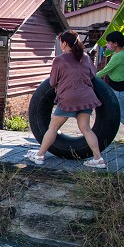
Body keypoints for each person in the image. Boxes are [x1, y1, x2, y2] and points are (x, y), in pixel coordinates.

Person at [26, 30, 106, 169]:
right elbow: (93, 74)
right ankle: (98, 159)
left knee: (53, 127)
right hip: (86, 97)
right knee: (86, 129)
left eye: (60, 42)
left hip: (68, 99)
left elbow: (52, 82)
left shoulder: (59, 59)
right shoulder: (86, 57)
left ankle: (39, 155)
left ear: (64, 43)